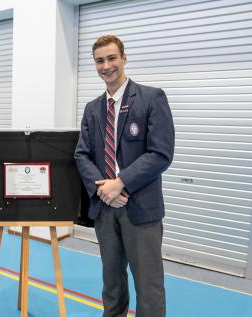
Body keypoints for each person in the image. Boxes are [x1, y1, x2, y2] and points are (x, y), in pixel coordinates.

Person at [74, 35, 175, 317]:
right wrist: (104, 190)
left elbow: (160, 153)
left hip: (140, 209)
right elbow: (81, 155)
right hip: (105, 210)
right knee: (112, 283)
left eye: (111, 58)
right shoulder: (93, 108)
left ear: (124, 58)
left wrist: (120, 183)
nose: (106, 66)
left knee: (149, 285)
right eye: (99, 61)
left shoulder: (151, 98)